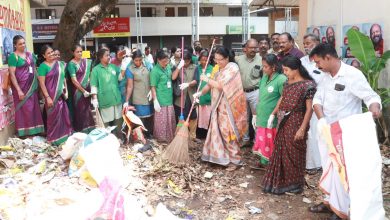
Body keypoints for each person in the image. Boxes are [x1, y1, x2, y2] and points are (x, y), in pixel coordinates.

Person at [309, 43, 382, 220]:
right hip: (327, 131)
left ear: (328, 57)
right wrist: (322, 120)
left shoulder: (352, 75)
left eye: (318, 62)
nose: (316, 66)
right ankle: (330, 202)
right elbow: (317, 99)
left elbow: (371, 97)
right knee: (329, 167)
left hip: (346, 135)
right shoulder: (325, 76)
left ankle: (342, 209)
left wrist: (374, 109)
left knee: (343, 171)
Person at [262, 56, 316, 195]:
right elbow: (283, 97)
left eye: (286, 70)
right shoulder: (287, 82)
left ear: (296, 69)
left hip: (297, 121)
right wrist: (273, 114)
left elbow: (309, 109)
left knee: (294, 153)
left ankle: (295, 184)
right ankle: (281, 182)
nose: (285, 73)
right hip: (283, 120)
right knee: (281, 151)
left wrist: (302, 129)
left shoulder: (308, 85)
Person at [194, 46, 247, 171]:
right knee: (217, 131)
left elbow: (220, 85)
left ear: (227, 58)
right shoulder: (217, 68)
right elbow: (210, 84)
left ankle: (236, 161)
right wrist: (200, 93)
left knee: (228, 132)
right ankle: (221, 158)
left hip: (229, 107)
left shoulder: (232, 68)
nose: (218, 62)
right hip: (218, 106)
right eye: (216, 59)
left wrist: (206, 78)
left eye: (220, 59)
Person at [252, 54, 286, 167]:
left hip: (271, 116)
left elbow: (283, 97)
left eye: (266, 66)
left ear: (274, 67)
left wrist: (273, 113)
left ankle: (272, 164)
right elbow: (261, 95)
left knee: (270, 140)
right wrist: (255, 113)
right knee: (262, 139)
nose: (263, 69)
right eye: (263, 66)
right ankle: (263, 161)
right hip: (262, 114)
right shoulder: (265, 77)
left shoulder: (281, 79)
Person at [8, 35, 44, 137]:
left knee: (34, 108)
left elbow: (35, 69)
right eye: (20, 44)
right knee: (24, 109)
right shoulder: (13, 56)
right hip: (21, 87)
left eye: (24, 43)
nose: (23, 45)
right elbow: (12, 74)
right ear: (15, 45)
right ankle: (25, 132)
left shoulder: (30, 54)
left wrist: (39, 83)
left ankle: (36, 129)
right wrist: (18, 90)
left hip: (32, 86)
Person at [37, 44, 72, 145]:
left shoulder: (60, 64)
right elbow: (42, 84)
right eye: (48, 53)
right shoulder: (43, 66)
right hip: (51, 97)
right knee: (53, 119)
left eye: (52, 52)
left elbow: (63, 78)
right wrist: (47, 97)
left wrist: (66, 91)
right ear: (44, 56)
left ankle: (64, 137)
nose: (51, 54)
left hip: (60, 95)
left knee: (63, 116)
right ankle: (53, 139)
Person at [300, 34, 323, 174]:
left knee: (316, 133)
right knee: (306, 133)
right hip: (303, 102)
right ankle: (308, 163)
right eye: (304, 43)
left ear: (317, 43)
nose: (306, 46)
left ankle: (316, 164)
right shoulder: (302, 61)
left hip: (319, 103)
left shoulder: (322, 60)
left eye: (308, 43)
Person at [150, 49, 183, 143]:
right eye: (164, 61)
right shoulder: (155, 71)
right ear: (158, 60)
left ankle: (169, 138)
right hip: (161, 100)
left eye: (167, 60)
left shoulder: (168, 66)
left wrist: (179, 67)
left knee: (169, 121)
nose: (166, 63)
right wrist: (155, 100)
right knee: (162, 122)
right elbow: (153, 87)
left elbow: (172, 77)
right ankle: (161, 139)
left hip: (169, 98)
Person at [90, 48, 123, 137]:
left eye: (109, 55)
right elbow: (93, 86)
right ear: (101, 57)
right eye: (107, 55)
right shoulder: (96, 70)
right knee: (106, 122)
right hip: (104, 100)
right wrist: (95, 99)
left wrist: (123, 64)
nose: (109, 57)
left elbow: (120, 78)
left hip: (116, 99)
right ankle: (106, 139)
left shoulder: (113, 67)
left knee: (118, 120)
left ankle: (120, 137)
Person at [235, 38, 262, 146]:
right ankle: (245, 139)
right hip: (242, 92)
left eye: (255, 47)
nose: (253, 50)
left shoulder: (261, 59)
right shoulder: (238, 59)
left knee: (256, 117)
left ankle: (257, 141)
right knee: (244, 117)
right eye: (251, 47)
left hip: (255, 91)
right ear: (245, 48)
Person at [124, 49, 153, 137]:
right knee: (139, 118)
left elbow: (154, 78)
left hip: (149, 96)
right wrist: (126, 101)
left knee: (149, 117)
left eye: (140, 60)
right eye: (136, 60)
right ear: (133, 60)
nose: (138, 62)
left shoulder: (148, 65)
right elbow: (129, 86)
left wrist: (152, 90)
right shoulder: (130, 69)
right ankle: (140, 136)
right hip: (138, 97)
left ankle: (149, 134)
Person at [66, 44, 95, 133]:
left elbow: (91, 75)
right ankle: (81, 131)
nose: (79, 53)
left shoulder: (87, 62)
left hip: (88, 90)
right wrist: (83, 91)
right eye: (77, 52)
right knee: (80, 111)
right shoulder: (71, 64)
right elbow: (74, 81)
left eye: (81, 51)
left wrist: (90, 89)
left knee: (87, 110)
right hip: (77, 92)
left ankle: (90, 129)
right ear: (73, 53)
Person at [174, 52, 198, 140]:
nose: (186, 63)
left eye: (187, 61)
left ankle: (192, 137)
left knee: (193, 117)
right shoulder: (178, 67)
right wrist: (179, 67)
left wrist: (188, 84)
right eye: (184, 61)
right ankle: (180, 136)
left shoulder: (195, 67)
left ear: (190, 60)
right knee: (181, 117)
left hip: (191, 96)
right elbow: (173, 77)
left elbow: (196, 80)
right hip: (180, 98)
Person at [195, 51, 213, 139]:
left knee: (207, 117)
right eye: (202, 60)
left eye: (206, 60)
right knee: (199, 117)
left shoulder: (212, 69)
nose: (204, 62)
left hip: (208, 97)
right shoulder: (197, 68)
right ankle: (199, 133)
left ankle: (207, 134)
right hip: (198, 97)